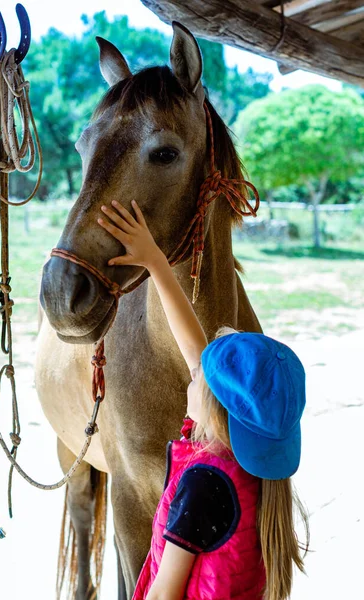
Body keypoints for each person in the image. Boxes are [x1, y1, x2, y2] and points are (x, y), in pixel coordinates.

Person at [98, 200, 309, 600]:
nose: (190, 376)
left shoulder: (204, 483)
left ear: (214, 406)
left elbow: (163, 595)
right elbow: (195, 350)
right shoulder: (249, 461)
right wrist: (157, 263)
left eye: (198, 379)